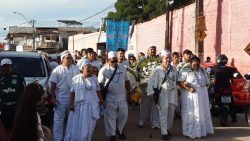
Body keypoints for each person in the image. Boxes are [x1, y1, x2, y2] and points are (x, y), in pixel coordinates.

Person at [64, 60, 103, 141]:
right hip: (80, 107)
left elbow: (98, 90)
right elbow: (72, 92)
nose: (89, 69)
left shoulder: (94, 79)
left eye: (90, 67)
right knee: (81, 126)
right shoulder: (76, 79)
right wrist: (71, 104)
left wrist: (101, 99)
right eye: (87, 67)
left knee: (90, 126)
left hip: (92, 107)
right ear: (82, 68)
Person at [177, 56, 214, 139]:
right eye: (194, 65)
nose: (196, 67)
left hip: (202, 96)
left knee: (202, 112)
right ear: (190, 64)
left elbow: (207, 81)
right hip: (191, 97)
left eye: (197, 65)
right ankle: (190, 132)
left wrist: (207, 84)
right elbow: (179, 81)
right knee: (192, 114)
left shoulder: (202, 70)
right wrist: (188, 88)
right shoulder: (185, 70)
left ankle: (201, 132)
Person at [98, 51, 131, 141]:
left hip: (122, 97)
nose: (115, 63)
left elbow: (127, 81)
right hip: (110, 98)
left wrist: (129, 94)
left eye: (116, 61)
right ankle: (112, 134)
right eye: (112, 61)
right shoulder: (103, 70)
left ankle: (120, 131)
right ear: (108, 60)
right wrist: (101, 98)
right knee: (110, 117)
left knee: (123, 116)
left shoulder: (122, 68)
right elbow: (100, 85)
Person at [49, 50, 80, 141]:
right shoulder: (57, 70)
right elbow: (53, 85)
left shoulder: (76, 68)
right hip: (60, 99)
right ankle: (58, 139)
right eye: (67, 58)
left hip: (73, 99)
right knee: (59, 121)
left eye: (70, 57)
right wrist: (53, 98)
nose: (69, 59)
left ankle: (69, 138)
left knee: (71, 121)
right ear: (62, 60)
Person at [147, 50, 178, 140]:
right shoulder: (157, 70)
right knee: (163, 113)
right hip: (162, 94)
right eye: (166, 58)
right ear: (162, 59)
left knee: (171, 113)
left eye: (169, 58)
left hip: (172, 94)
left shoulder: (174, 68)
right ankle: (164, 132)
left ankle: (168, 129)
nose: (168, 60)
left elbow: (176, 80)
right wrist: (152, 94)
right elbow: (151, 82)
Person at [0, 58, 26, 140]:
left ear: (11, 67)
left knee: (17, 128)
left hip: (16, 109)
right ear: (1, 67)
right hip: (4, 109)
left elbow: (24, 93)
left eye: (8, 66)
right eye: (4, 66)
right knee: (5, 129)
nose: (6, 68)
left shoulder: (19, 78)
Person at [137, 46, 161, 129]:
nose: (153, 51)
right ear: (147, 51)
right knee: (144, 105)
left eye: (154, 49)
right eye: (151, 49)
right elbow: (138, 71)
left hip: (156, 87)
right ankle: (142, 121)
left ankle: (155, 123)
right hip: (145, 86)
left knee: (155, 105)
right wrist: (139, 82)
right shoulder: (142, 61)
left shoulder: (159, 60)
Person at [210, 54, 236, 122]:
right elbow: (232, 81)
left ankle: (212, 112)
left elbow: (211, 78)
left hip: (218, 89)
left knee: (212, 99)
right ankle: (234, 117)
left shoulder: (214, 68)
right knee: (232, 103)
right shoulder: (229, 69)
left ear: (218, 60)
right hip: (227, 89)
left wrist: (211, 84)